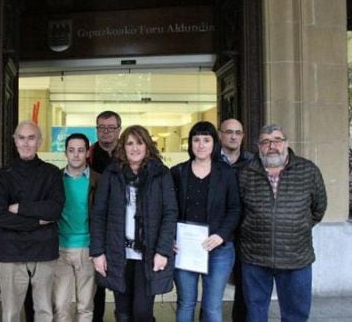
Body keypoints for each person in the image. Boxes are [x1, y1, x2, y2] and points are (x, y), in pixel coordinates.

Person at [238, 124, 327, 322]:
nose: (272, 146)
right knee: (255, 314)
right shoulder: (245, 173)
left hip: (296, 257)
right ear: (258, 146)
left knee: (295, 314)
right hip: (255, 257)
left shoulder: (308, 170)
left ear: (286, 143)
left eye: (277, 140)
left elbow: (318, 208)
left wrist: (296, 225)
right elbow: (238, 210)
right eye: (266, 142)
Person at [90, 125, 178, 322]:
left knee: (142, 313)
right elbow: (98, 215)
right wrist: (97, 252)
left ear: (147, 146)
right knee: (123, 313)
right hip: (118, 254)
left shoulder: (160, 174)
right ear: (123, 147)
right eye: (129, 143)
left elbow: (170, 214)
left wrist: (163, 251)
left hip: (148, 254)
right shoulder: (111, 175)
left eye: (139, 142)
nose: (135, 148)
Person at [0, 120, 65, 322]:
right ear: (15, 142)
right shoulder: (1, 175)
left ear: (39, 141)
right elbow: (0, 216)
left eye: (31, 138)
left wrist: (21, 208)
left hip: (44, 251)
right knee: (10, 313)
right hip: (11, 252)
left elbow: (55, 209)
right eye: (21, 138)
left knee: (44, 312)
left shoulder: (51, 173)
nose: (26, 143)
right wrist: (38, 221)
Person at [170, 121, 241, 322]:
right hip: (185, 248)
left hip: (218, 249)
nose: (201, 145)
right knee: (186, 302)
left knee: (212, 306)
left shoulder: (226, 173)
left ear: (214, 143)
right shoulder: (178, 172)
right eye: (196, 139)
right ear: (190, 144)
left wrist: (221, 235)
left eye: (206, 140)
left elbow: (235, 209)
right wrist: (171, 238)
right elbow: (168, 211)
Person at [53, 133, 99, 322]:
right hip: (60, 247)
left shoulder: (98, 179)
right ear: (65, 153)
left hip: (87, 248)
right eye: (71, 150)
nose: (76, 155)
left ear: (87, 152)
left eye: (81, 150)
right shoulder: (55, 179)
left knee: (85, 305)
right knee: (60, 305)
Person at [218, 118, 253, 322]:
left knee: (245, 283)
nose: (233, 136)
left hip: (245, 232)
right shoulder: (210, 160)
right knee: (213, 285)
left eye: (238, 132)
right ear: (220, 134)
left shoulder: (252, 161)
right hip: (217, 231)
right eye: (229, 132)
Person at [87, 110, 121, 322]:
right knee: (95, 287)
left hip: (121, 227)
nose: (106, 132)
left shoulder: (128, 153)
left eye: (111, 127)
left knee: (122, 285)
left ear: (119, 129)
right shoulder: (88, 155)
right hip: (95, 225)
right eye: (101, 127)